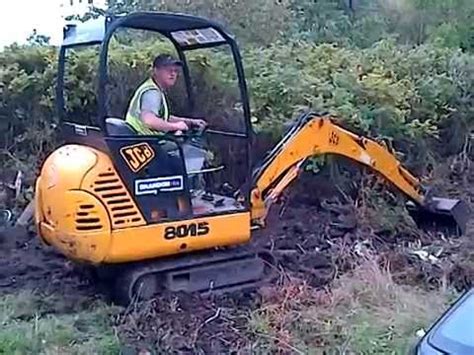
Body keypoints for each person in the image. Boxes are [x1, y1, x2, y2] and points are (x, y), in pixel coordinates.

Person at [126, 54, 207, 135]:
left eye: (175, 70)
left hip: (144, 140)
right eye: (168, 70)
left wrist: (190, 122)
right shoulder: (152, 92)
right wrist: (176, 126)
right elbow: (150, 120)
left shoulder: (156, 89)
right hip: (144, 140)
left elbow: (163, 118)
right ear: (155, 70)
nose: (173, 74)